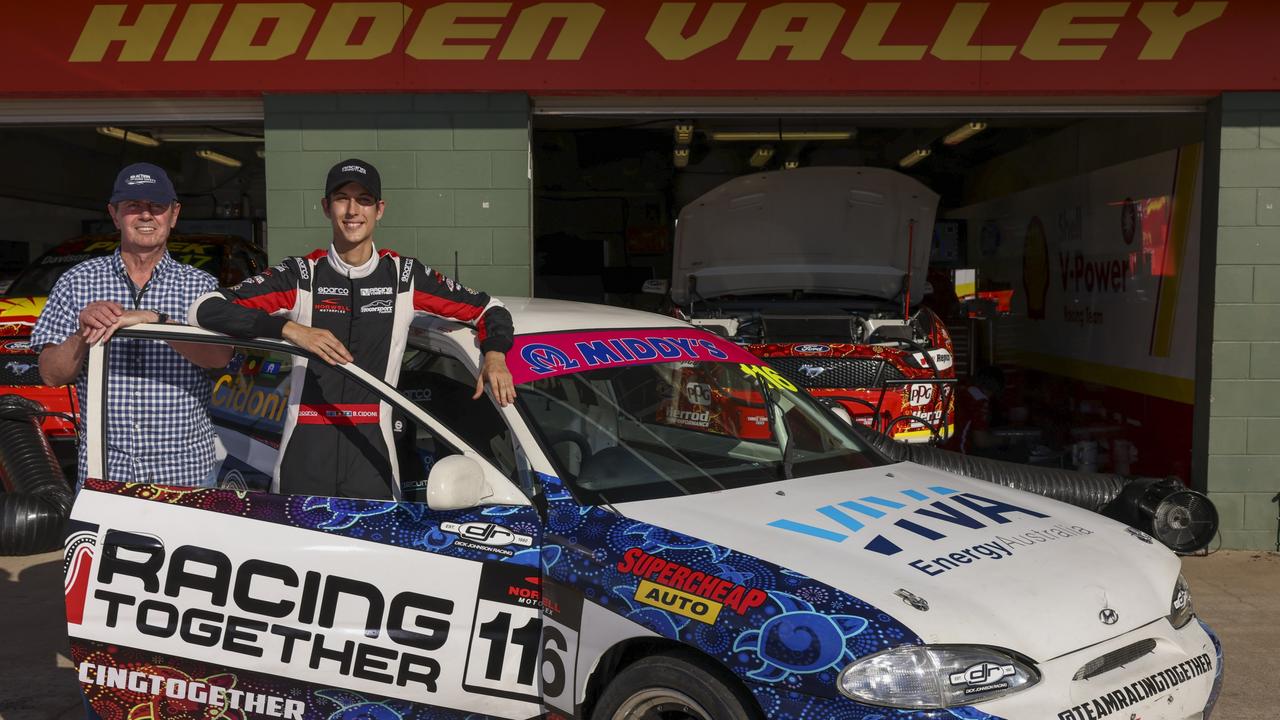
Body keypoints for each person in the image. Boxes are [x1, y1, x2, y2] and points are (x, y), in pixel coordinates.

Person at [190, 158, 515, 500]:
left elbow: (490, 308)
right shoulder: (302, 275)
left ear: (380, 209)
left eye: (364, 200)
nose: (352, 210)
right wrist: (289, 329)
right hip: (306, 445)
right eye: (342, 198)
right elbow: (205, 309)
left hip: (372, 446)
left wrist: (494, 355)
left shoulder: (404, 278)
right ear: (326, 207)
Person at [31, 162, 232, 488]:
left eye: (156, 206)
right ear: (114, 214)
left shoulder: (200, 285)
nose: (146, 215)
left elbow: (220, 357)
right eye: (133, 206)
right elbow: (51, 375)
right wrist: (85, 333)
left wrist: (158, 321)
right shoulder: (77, 282)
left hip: (185, 471)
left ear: (174, 214)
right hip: (105, 468)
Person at [947, 365, 1006, 457]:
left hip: (939, 449)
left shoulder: (960, 389)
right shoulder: (979, 401)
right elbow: (981, 441)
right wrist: (1004, 440)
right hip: (957, 454)